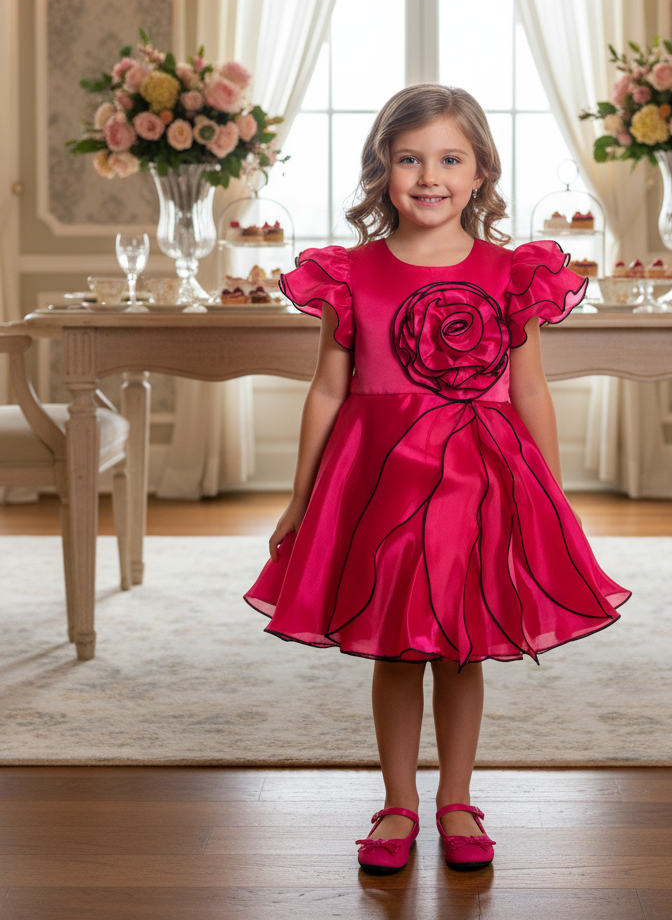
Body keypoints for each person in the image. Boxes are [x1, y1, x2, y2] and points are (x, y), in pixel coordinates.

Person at [245, 84, 629, 874]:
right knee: (395, 649)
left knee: (460, 649)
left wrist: (551, 498)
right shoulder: (348, 273)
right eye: (410, 158)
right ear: (382, 170)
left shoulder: (510, 271)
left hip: (477, 485)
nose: (430, 176)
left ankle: (457, 798)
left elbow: (529, 390)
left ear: (481, 170)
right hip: (377, 482)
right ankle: (397, 803)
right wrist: (300, 496)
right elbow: (327, 389)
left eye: (450, 158)